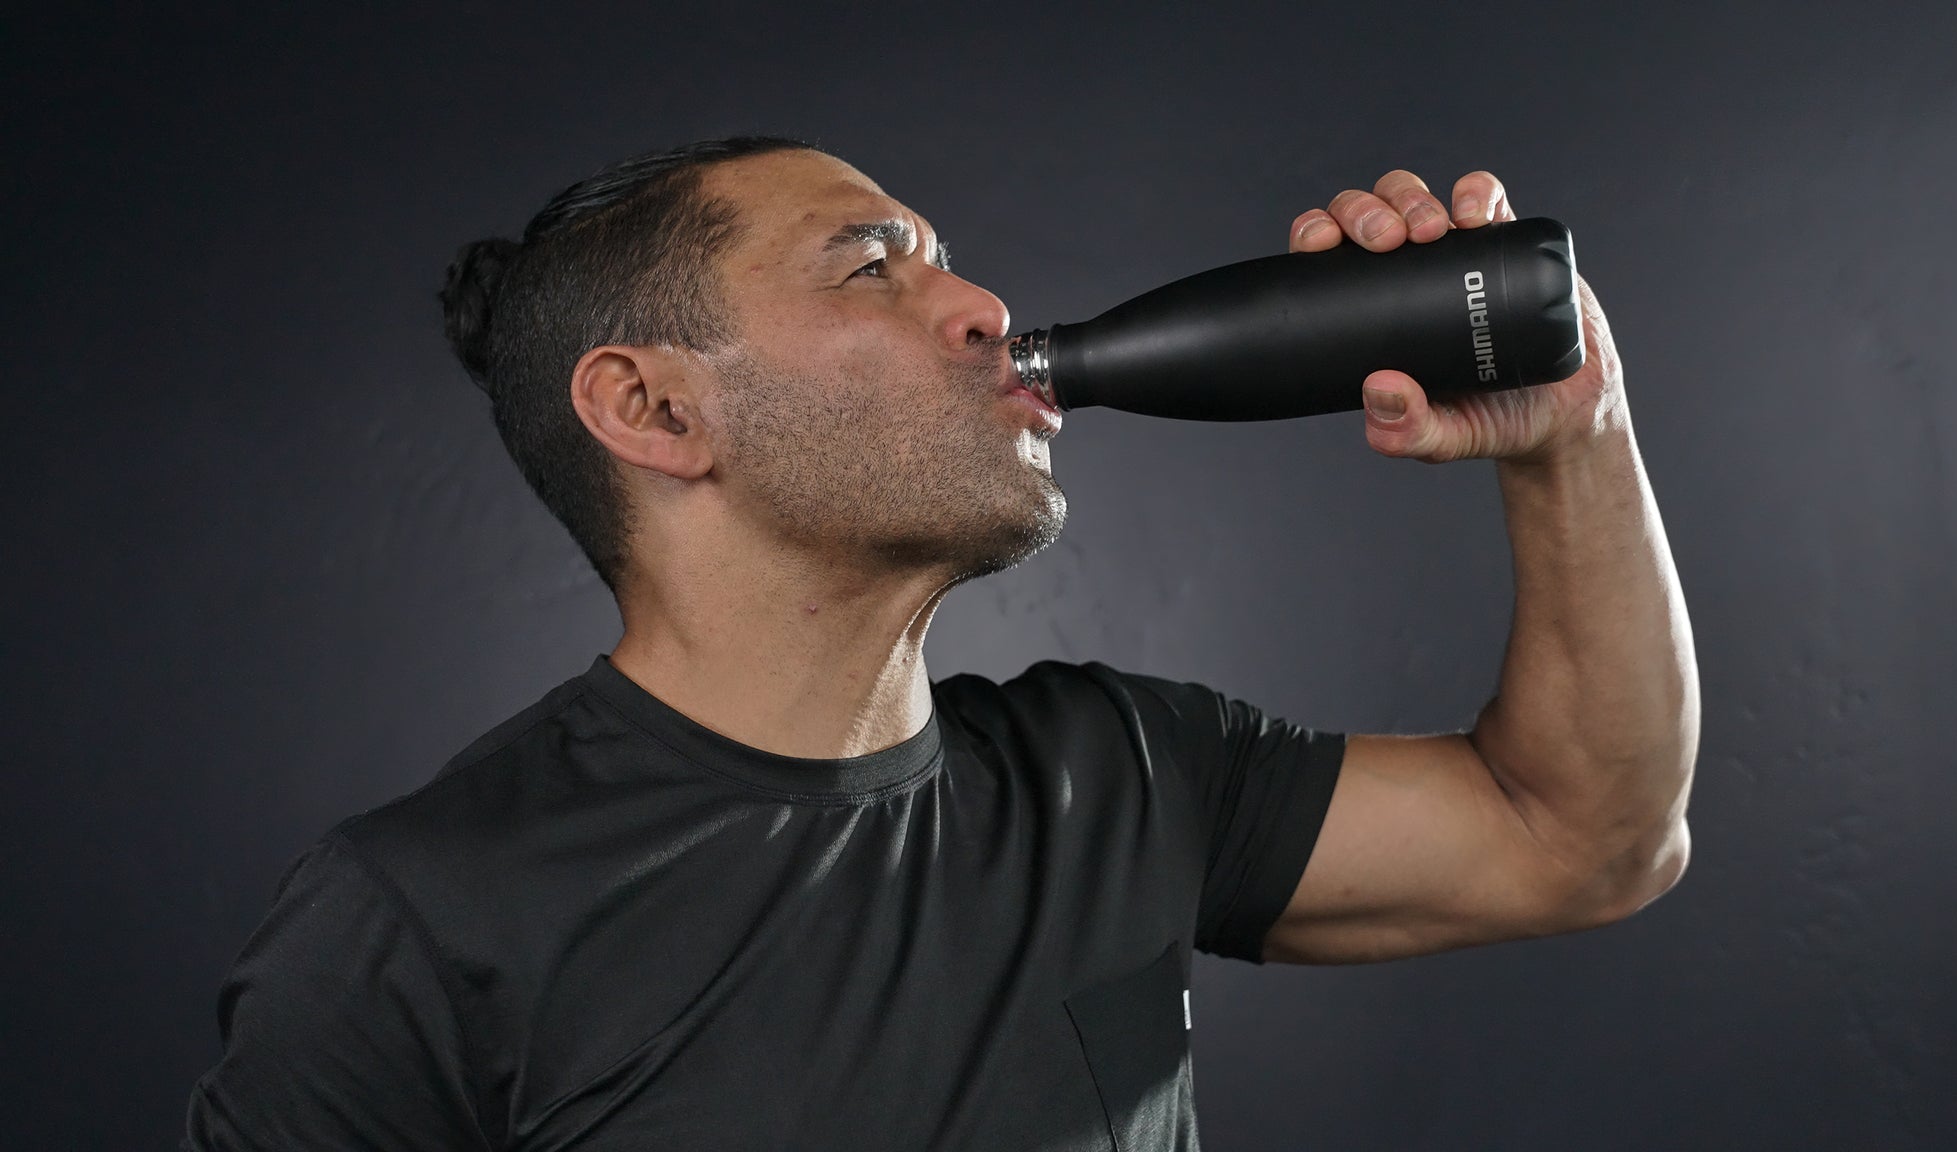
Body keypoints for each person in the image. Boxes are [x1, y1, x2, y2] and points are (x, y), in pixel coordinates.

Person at [182, 135, 1697, 1151]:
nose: (980, 304)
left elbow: (1582, 838)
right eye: (871, 266)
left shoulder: (1119, 771)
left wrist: (1572, 439)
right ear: (651, 409)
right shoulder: (418, 919)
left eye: (947, 259)